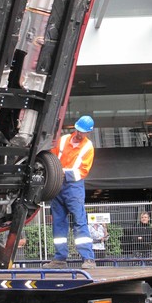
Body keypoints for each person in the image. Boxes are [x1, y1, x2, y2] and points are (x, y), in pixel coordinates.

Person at [43, 115, 96, 269]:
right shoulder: (64, 139)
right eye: (78, 131)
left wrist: (60, 172)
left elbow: (83, 171)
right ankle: (60, 258)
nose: (80, 134)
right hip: (58, 184)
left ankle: (88, 258)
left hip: (73, 186)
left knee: (80, 221)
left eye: (83, 132)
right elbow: (51, 156)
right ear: (75, 127)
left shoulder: (88, 147)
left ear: (88, 133)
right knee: (58, 223)